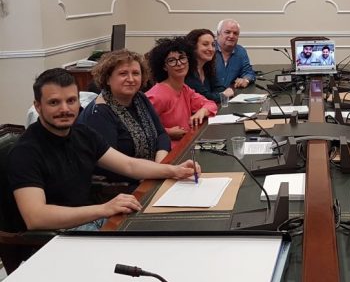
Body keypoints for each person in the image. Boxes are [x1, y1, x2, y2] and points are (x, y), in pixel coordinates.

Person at [7, 69, 199, 231]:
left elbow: (129, 165)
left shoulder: (82, 133)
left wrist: (174, 170)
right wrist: (104, 209)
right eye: (54, 102)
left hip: (89, 219)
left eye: (71, 101)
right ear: (38, 106)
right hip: (54, 237)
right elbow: (36, 217)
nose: (65, 109)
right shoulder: (25, 152)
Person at [77, 49, 171, 187]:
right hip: (119, 187)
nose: (131, 79)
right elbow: (109, 168)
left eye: (135, 73)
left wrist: (159, 165)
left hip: (151, 175)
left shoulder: (140, 98)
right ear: (107, 78)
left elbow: (161, 134)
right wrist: (156, 171)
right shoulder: (98, 113)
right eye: (123, 74)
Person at [146, 37, 218, 148]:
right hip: (167, 151)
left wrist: (202, 111)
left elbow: (210, 104)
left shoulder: (185, 89)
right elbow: (142, 128)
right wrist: (168, 132)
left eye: (182, 58)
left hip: (186, 145)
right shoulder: (157, 95)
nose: (179, 63)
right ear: (164, 66)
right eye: (172, 60)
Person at [184, 28, 235, 103]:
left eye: (213, 45)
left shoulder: (207, 67)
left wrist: (219, 95)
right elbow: (204, 98)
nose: (211, 49)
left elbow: (219, 88)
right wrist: (223, 95)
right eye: (205, 44)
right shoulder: (187, 71)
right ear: (193, 47)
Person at [214, 19, 256, 88]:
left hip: (232, 93)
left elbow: (248, 73)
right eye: (227, 32)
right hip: (208, 94)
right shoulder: (209, 50)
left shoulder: (241, 51)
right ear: (218, 34)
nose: (231, 36)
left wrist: (245, 80)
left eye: (235, 33)